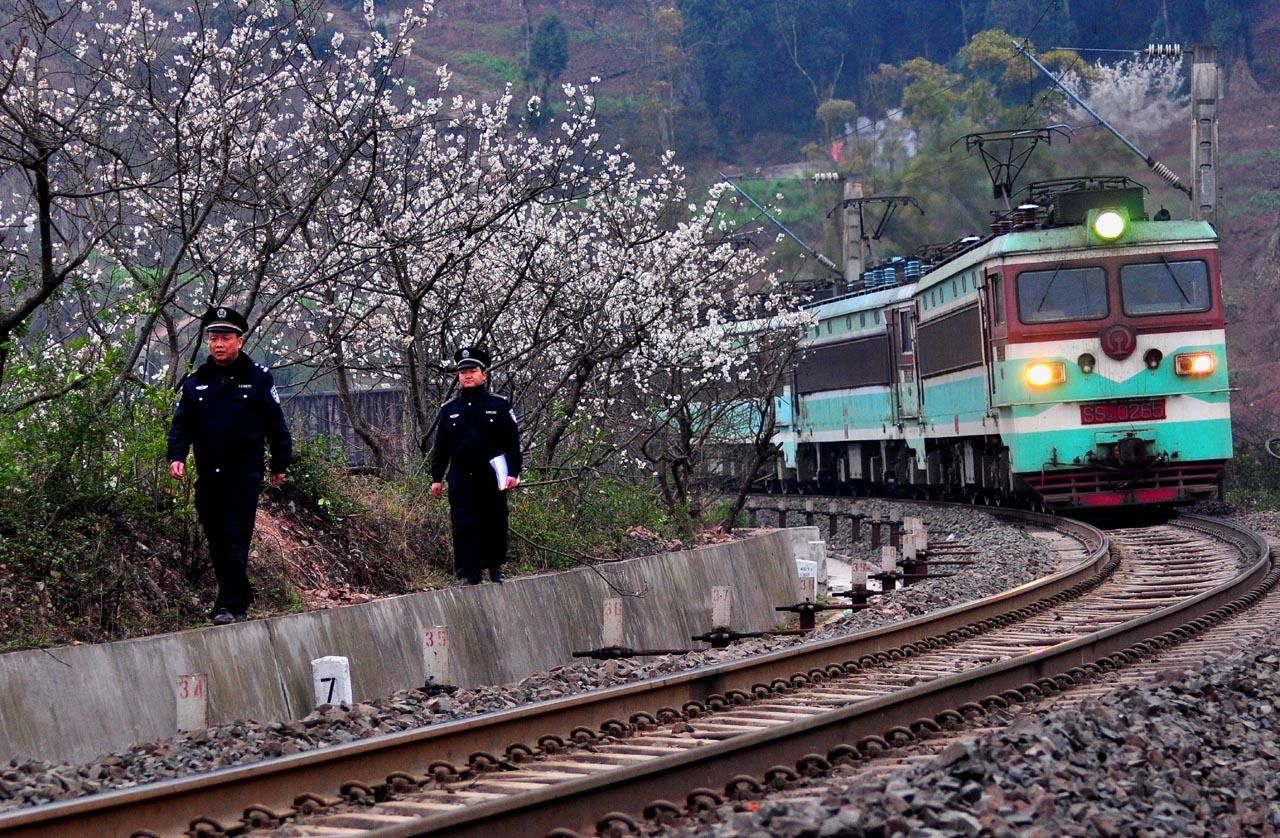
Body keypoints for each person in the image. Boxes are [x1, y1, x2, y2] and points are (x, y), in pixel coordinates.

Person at [167, 306, 293, 624]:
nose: (218, 344)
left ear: (239, 340)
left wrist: (280, 462)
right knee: (217, 539)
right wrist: (177, 456)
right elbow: (182, 425)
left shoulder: (258, 379)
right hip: (209, 475)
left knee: (236, 537)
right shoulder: (196, 383)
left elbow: (275, 424)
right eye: (213, 338)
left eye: (224, 337)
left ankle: (228, 604)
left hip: (243, 474)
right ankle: (240, 594)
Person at [429, 346, 522, 585]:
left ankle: (494, 568)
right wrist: (436, 478)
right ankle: (467, 573)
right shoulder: (450, 410)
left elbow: (512, 442)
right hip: (461, 477)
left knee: (493, 522)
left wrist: (514, 472)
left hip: (491, 476)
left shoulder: (499, 405)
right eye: (462, 372)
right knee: (463, 525)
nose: (467, 375)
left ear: (484, 374)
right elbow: (441, 448)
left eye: (472, 370)